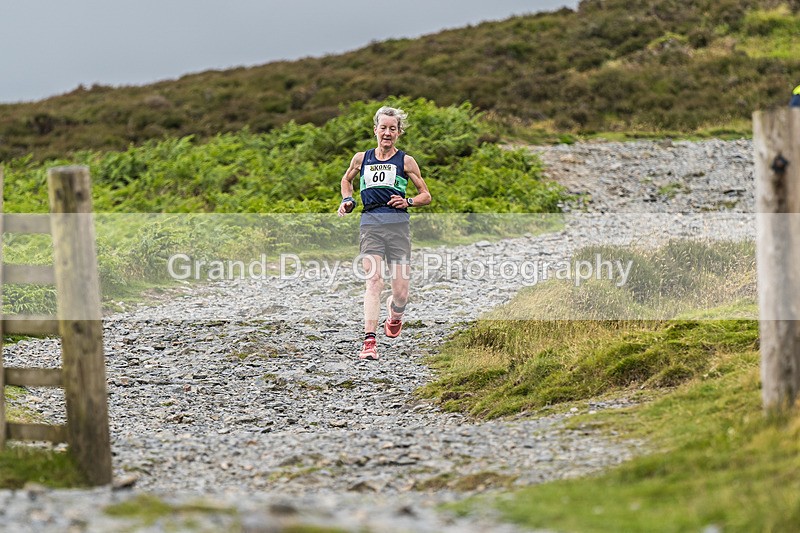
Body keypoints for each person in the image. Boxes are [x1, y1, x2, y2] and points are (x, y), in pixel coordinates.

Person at [337, 106, 432, 360]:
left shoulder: (406, 161)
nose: (387, 133)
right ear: (375, 130)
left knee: (400, 293)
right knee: (374, 281)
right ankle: (369, 341)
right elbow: (346, 180)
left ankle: (395, 314)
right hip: (370, 224)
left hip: (398, 226)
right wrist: (347, 200)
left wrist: (408, 202)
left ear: (398, 133)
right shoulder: (361, 158)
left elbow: (426, 195)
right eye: (383, 128)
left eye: (392, 129)